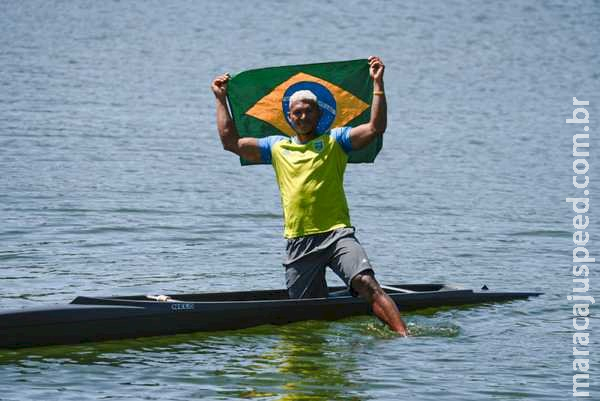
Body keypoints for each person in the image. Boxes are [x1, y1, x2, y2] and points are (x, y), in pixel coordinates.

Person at [211, 56, 408, 336]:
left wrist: (378, 84)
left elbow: (375, 128)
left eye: (307, 112)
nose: (302, 117)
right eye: (296, 113)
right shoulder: (276, 147)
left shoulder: (335, 141)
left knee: (366, 282)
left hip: (337, 235)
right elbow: (230, 142)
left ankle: (405, 337)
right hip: (299, 242)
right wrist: (220, 99)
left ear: (318, 114)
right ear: (289, 116)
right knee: (307, 317)